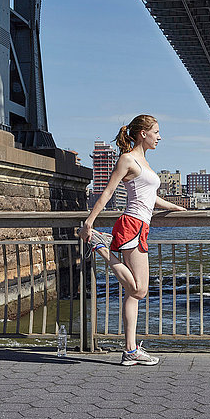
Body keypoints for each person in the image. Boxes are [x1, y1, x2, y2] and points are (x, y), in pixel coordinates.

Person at [78, 114, 184, 366]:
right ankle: (101, 247)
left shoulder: (144, 163)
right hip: (131, 225)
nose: (160, 137)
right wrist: (89, 222)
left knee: (134, 293)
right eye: (156, 132)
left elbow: (151, 198)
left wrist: (178, 209)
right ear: (142, 134)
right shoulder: (127, 159)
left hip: (141, 226)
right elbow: (108, 191)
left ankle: (130, 350)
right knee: (139, 289)